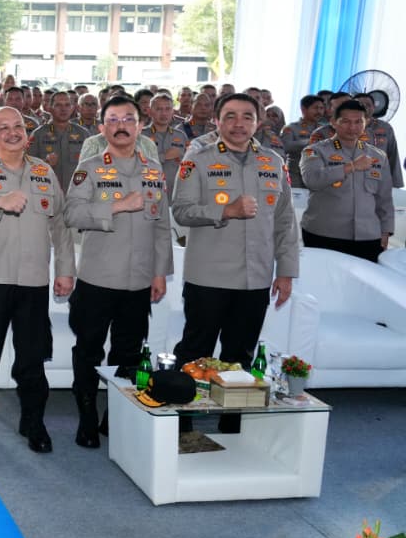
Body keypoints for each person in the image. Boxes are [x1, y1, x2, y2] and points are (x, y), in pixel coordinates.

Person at [172, 93, 299, 433]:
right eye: (230, 116)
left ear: (258, 121)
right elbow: (181, 210)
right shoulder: (197, 159)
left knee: (240, 357)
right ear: (217, 121)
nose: (238, 123)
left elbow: (286, 222)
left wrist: (285, 271)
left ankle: (231, 427)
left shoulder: (273, 162)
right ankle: (183, 427)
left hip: (255, 278)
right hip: (208, 277)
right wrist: (225, 211)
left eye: (246, 116)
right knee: (195, 353)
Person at [0, 106, 75, 453]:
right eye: (2, 127)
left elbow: (60, 224)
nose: (12, 132)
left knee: (32, 357)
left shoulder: (43, 171)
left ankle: (33, 421)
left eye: (18, 127)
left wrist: (65, 269)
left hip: (33, 281)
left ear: (27, 134)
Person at [64, 96, 172, 448]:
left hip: (139, 281)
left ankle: (115, 417)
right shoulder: (90, 168)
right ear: (102, 128)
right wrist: (118, 205)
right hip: (98, 280)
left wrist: (159, 273)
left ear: (141, 126)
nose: (121, 125)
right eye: (113, 120)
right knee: (88, 351)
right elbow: (73, 215)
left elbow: (161, 226)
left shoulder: (153, 171)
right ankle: (86, 418)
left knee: (127, 354)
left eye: (128, 118)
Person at [298, 100, 394, 262]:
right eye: (346, 121)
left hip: (367, 236)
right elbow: (312, 180)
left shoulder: (378, 156)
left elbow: (384, 198)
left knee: (362, 285)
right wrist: (351, 167)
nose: (352, 127)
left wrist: (386, 230)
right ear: (333, 122)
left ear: (366, 123)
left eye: (358, 122)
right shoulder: (314, 151)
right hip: (325, 233)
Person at [27, 91, 90, 190]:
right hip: (47, 191)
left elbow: (92, 165)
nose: (63, 109)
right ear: (49, 108)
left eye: (67, 105)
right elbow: (26, 165)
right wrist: (44, 162)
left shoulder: (83, 134)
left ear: (73, 108)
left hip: (76, 193)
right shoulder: (38, 135)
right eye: (58, 105)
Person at [142, 91, 192, 194]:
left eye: (167, 109)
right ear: (150, 112)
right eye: (159, 109)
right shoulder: (141, 136)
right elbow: (135, 163)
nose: (164, 113)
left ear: (173, 112)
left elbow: (189, 163)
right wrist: (164, 156)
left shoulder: (181, 135)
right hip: (148, 192)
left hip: (175, 192)